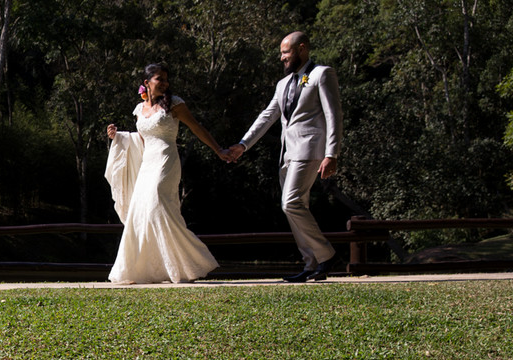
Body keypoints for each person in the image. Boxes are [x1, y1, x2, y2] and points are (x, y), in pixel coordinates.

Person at [226, 31, 344, 283]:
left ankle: (327, 255)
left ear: (302, 48)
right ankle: (312, 264)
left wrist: (332, 153)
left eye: (286, 52)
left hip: (310, 149)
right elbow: (267, 116)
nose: (282, 58)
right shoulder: (283, 84)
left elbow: (334, 115)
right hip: (286, 153)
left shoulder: (322, 74)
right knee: (297, 207)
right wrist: (243, 145)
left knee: (290, 203)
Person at [105, 63, 231, 284]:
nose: (164, 83)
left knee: (156, 202)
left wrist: (218, 149)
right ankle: (144, 269)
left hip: (166, 159)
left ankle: (189, 261)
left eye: (165, 79)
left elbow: (196, 127)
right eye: (158, 79)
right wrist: (120, 137)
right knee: (140, 210)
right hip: (147, 162)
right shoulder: (139, 109)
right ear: (146, 83)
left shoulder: (174, 104)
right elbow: (142, 138)